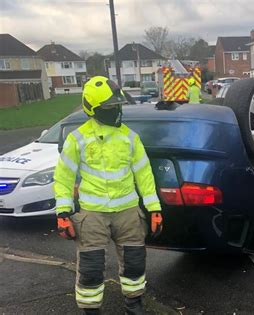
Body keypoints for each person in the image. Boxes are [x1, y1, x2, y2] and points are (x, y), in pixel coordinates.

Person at [54, 76, 163, 314]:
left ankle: (134, 305)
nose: (116, 110)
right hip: (92, 215)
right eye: (109, 107)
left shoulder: (130, 137)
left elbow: (145, 174)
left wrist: (154, 209)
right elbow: (63, 178)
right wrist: (63, 213)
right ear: (93, 109)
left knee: (135, 263)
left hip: (128, 212)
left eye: (117, 105)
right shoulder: (77, 139)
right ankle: (91, 311)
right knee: (91, 267)